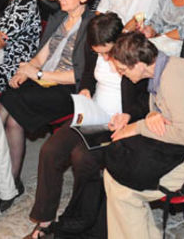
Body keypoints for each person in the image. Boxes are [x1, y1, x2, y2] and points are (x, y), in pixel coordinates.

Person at [24, 13, 149, 238]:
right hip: (93, 114)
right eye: (97, 50)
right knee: (50, 150)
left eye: (106, 51)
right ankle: (44, 219)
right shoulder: (93, 49)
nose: (102, 55)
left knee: (84, 158)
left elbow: (146, 101)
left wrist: (128, 116)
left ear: (119, 40)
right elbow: (88, 76)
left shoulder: (134, 54)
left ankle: (80, 219)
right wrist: (85, 89)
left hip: (119, 123)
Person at [103, 32, 184, 239]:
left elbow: (182, 134)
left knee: (124, 190)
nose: (122, 75)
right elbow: (166, 118)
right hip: (183, 148)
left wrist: (137, 127)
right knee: (114, 176)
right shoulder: (160, 72)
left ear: (139, 63)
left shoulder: (173, 77)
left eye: (123, 70)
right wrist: (152, 115)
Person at [0, 0, 98, 183]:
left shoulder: (92, 26)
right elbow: (41, 55)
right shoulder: (60, 18)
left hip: (68, 88)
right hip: (43, 80)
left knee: (10, 101)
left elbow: (82, 75)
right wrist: (24, 72)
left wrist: (39, 73)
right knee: (12, 108)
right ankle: (7, 177)